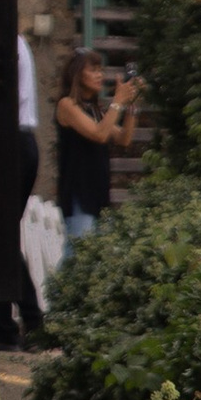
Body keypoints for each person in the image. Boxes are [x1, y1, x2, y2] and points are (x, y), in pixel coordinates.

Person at [0, 28, 48, 350]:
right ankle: (8, 323)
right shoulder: (16, 42)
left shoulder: (8, 42)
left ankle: (24, 321)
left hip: (11, 141)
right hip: (14, 141)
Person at [54, 47, 139, 254]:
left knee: (92, 260)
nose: (100, 75)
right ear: (76, 73)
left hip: (98, 192)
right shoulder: (67, 105)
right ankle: (55, 289)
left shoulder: (97, 110)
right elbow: (99, 134)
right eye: (93, 70)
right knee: (78, 257)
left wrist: (132, 105)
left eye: (101, 70)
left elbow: (124, 138)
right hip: (79, 193)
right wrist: (117, 101)